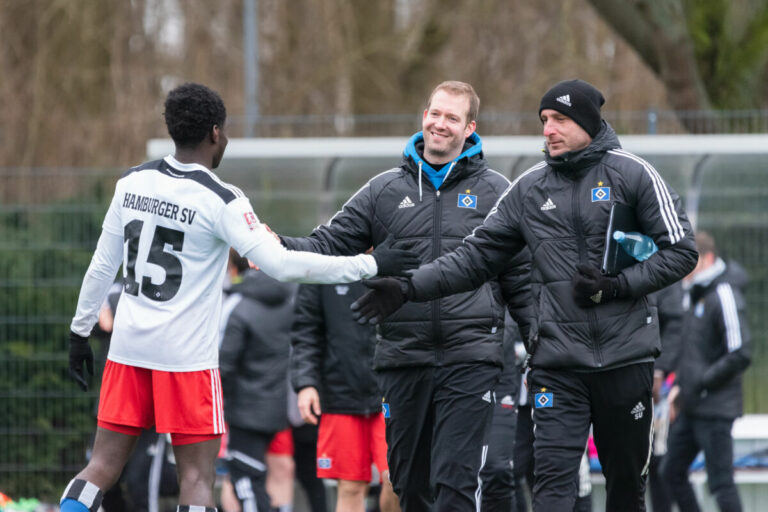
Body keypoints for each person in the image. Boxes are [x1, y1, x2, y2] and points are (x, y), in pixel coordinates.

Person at [62, 82, 419, 512]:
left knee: (100, 467)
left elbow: (102, 267)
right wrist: (372, 265)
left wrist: (79, 333)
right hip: (187, 361)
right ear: (215, 133)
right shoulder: (222, 200)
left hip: (128, 351)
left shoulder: (132, 182)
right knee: (196, 478)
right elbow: (283, 265)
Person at [351, 79, 699, 511]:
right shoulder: (528, 189)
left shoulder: (634, 174)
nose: (548, 129)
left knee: (626, 490)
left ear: (588, 124)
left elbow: (683, 253)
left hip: (626, 360)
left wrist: (616, 286)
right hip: (556, 366)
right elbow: (473, 258)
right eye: (544, 120)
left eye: (560, 120)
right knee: (551, 491)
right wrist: (407, 288)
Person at [279, 80, 533, 511]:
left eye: (452, 117)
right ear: (423, 116)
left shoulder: (496, 193)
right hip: (402, 358)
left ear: (469, 127)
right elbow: (327, 243)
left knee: (456, 483)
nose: (440, 124)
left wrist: (545, 344)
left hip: (470, 358)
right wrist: (273, 245)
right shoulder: (383, 190)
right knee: (407, 486)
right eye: (435, 113)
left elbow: (522, 281)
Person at [291, 281, 400, 512]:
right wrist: (306, 383)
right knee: (349, 486)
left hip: (390, 392)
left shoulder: (395, 254)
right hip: (339, 394)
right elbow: (306, 331)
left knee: (396, 479)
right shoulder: (323, 263)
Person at [662, 231, 751, 512]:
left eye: (690, 259)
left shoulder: (723, 293)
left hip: (715, 408)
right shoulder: (694, 294)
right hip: (691, 405)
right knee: (670, 472)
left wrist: (701, 383)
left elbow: (740, 352)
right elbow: (693, 354)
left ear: (707, 258)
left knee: (721, 483)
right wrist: (681, 390)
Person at [219, 264, 296, 512]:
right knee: (266, 475)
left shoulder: (240, 308)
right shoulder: (291, 302)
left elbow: (225, 364)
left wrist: (223, 404)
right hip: (278, 408)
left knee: (245, 480)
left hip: (244, 410)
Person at [647, 281, 685, 512]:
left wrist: (660, 369)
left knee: (663, 462)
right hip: (647, 377)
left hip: (666, 385)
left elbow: (676, 330)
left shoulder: (670, 282)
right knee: (655, 462)